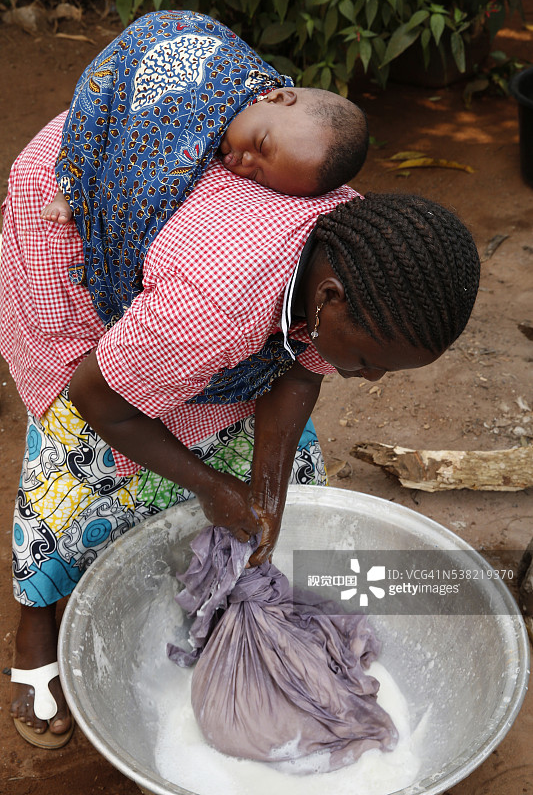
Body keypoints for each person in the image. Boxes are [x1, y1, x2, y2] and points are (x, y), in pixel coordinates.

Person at [1, 112, 480, 751]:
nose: (365, 380)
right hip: (75, 215)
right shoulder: (216, 306)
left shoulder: (355, 253)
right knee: (81, 465)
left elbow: (301, 371)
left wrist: (266, 488)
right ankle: (35, 621)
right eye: (367, 362)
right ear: (329, 299)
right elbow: (99, 398)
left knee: (276, 465)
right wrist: (210, 487)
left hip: (199, 286)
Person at [39, 9, 369, 329]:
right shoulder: (231, 84)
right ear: (279, 97)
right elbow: (146, 134)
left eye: (260, 176)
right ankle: (72, 183)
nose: (245, 161)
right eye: (262, 144)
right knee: (96, 113)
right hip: (149, 41)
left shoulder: (268, 133)